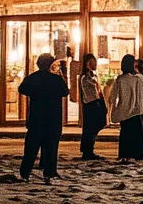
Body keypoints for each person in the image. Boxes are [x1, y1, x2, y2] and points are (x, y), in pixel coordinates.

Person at [18, 54, 69, 182]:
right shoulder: (56, 79)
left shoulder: (33, 78)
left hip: (37, 117)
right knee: (51, 148)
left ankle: (25, 171)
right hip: (53, 118)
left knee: (31, 147)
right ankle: (49, 172)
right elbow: (65, 92)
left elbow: (22, 89)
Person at [111, 54, 143, 161]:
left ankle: (124, 154)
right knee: (136, 134)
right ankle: (137, 154)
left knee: (125, 133)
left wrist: (114, 108)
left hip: (123, 110)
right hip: (135, 110)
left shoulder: (120, 79)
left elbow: (113, 96)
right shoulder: (137, 79)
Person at [77, 53, 106, 159]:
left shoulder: (93, 76)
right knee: (90, 128)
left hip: (96, 103)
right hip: (90, 104)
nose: (95, 64)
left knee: (96, 126)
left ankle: (89, 149)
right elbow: (90, 92)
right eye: (93, 62)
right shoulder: (85, 77)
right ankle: (87, 150)